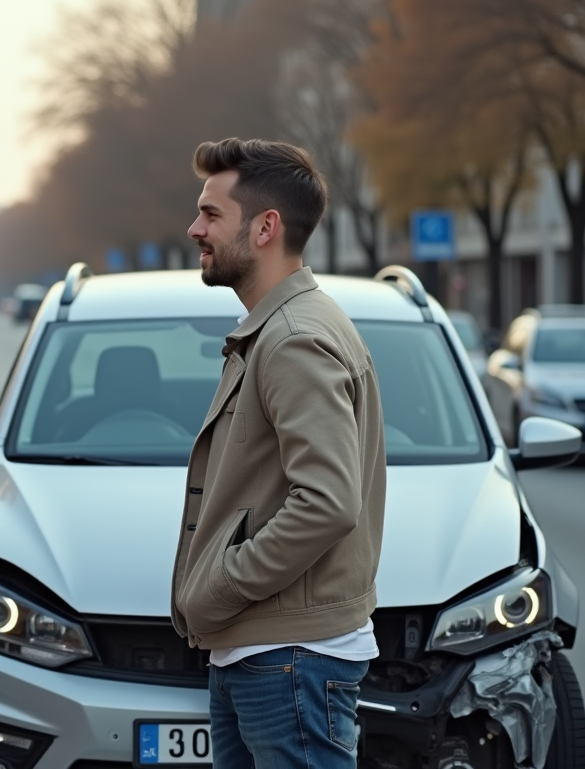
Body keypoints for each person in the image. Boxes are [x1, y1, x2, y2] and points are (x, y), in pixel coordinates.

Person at [171, 138, 387, 769]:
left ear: (265, 228)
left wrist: (222, 584)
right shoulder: (282, 328)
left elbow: (326, 502)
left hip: (289, 659)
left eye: (212, 214)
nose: (195, 229)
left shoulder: (293, 338)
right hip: (268, 655)